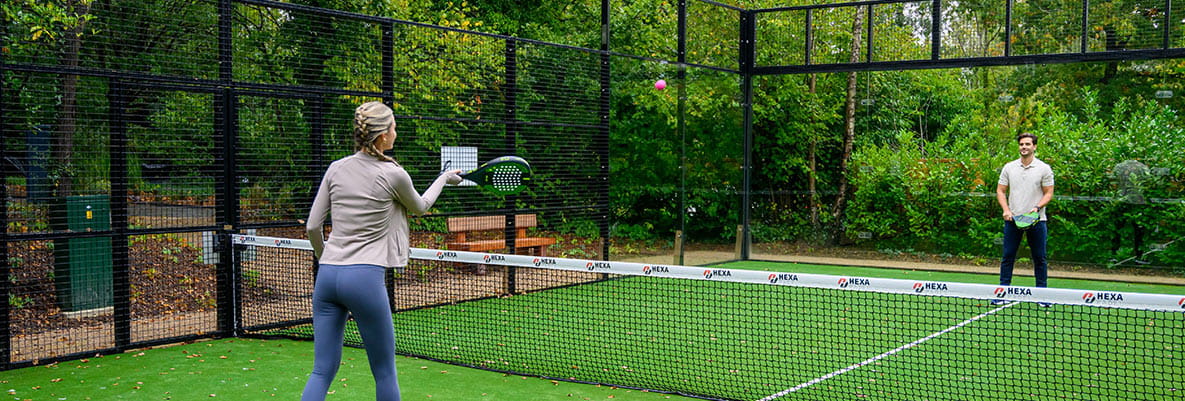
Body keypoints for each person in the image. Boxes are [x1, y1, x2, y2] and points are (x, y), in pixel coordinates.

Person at [302, 101, 462, 401]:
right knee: (385, 371)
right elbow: (420, 207)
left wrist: (326, 258)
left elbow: (313, 226)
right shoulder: (393, 174)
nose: (396, 132)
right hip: (364, 278)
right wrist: (444, 178)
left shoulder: (336, 168)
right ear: (383, 135)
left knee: (321, 371)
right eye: (394, 127)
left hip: (327, 277)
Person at [993, 132, 1055, 306]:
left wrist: (1037, 208)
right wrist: (1006, 210)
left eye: (1027, 144)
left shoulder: (1044, 168)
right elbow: (1000, 190)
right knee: (1007, 257)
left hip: (1037, 221)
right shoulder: (1009, 167)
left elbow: (1048, 193)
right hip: (1013, 221)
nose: (1024, 147)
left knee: (1039, 258)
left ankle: (1042, 296)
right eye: (1021, 144)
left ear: (1034, 146)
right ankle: (1002, 293)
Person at [1109, 159, 1152, 265]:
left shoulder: (1120, 166)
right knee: (1137, 231)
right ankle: (1138, 256)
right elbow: (1149, 181)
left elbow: (1112, 181)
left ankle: (1114, 255)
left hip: (1123, 200)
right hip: (1136, 201)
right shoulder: (1142, 167)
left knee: (1119, 229)